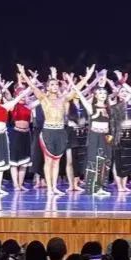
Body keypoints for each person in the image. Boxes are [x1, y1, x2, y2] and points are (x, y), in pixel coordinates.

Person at [19, 65, 93, 196]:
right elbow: (33, 86)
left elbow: (76, 89)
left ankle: (54, 187)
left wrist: (87, 76)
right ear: (47, 87)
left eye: (56, 84)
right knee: (48, 161)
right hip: (48, 132)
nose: (55, 86)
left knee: (57, 161)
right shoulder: (43, 98)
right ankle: (49, 188)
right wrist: (23, 74)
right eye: (52, 84)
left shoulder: (63, 99)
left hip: (60, 132)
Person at [8, 78, 36, 191]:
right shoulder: (13, 105)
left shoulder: (29, 106)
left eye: (25, 95)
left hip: (26, 135)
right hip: (16, 134)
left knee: (24, 162)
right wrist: (20, 81)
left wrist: (33, 82)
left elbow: (40, 99)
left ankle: (20, 184)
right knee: (14, 161)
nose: (23, 97)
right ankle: (15, 184)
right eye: (21, 95)